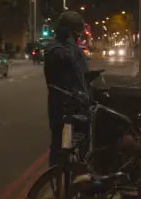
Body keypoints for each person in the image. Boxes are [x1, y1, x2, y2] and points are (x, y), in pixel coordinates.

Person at [44, 11, 89, 166]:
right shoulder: (53, 48)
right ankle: (57, 182)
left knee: (84, 141)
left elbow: (83, 74)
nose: (78, 38)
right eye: (75, 35)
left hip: (79, 104)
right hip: (60, 105)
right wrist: (70, 41)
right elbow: (65, 59)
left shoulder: (75, 50)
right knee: (58, 146)